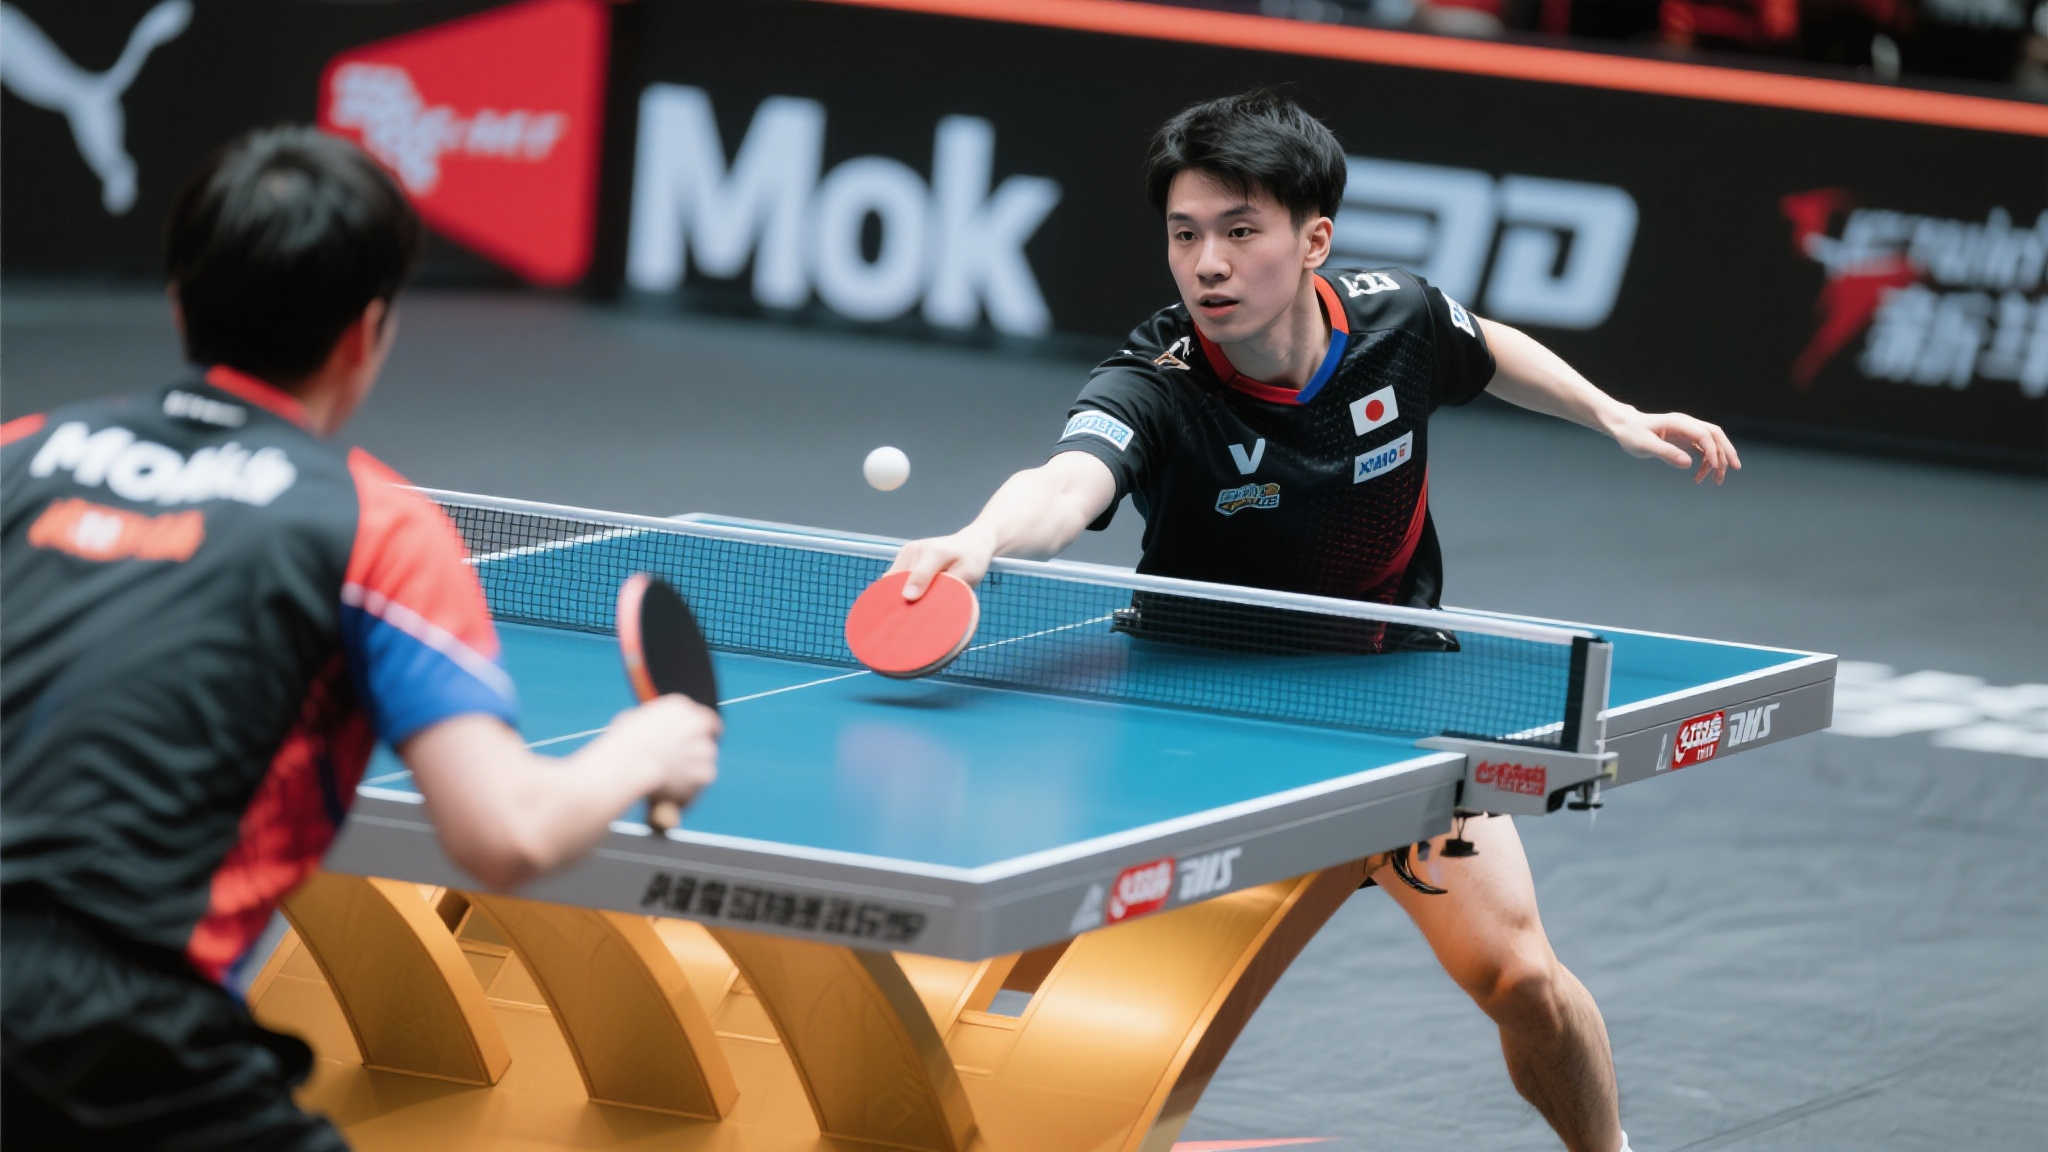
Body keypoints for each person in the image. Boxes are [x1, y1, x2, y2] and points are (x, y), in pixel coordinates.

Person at [890, 91, 1738, 1152]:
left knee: (1519, 975)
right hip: (1198, 727)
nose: (1207, 264)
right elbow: (1068, 481)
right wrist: (981, 538)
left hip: (1392, 704)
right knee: (1032, 981)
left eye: (1239, 232)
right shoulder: (1157, 380)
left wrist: (1609, 412)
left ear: (1312, 241)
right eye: (1184, 235)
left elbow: (1483, 345)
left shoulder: (1395, 319)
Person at [0, 126, 721, 1149]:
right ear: (365, 331)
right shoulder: (371, 528)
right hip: (114, 1039)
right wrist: (644, 746)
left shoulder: (19, 455)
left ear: (179, 302)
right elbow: (507, 834)